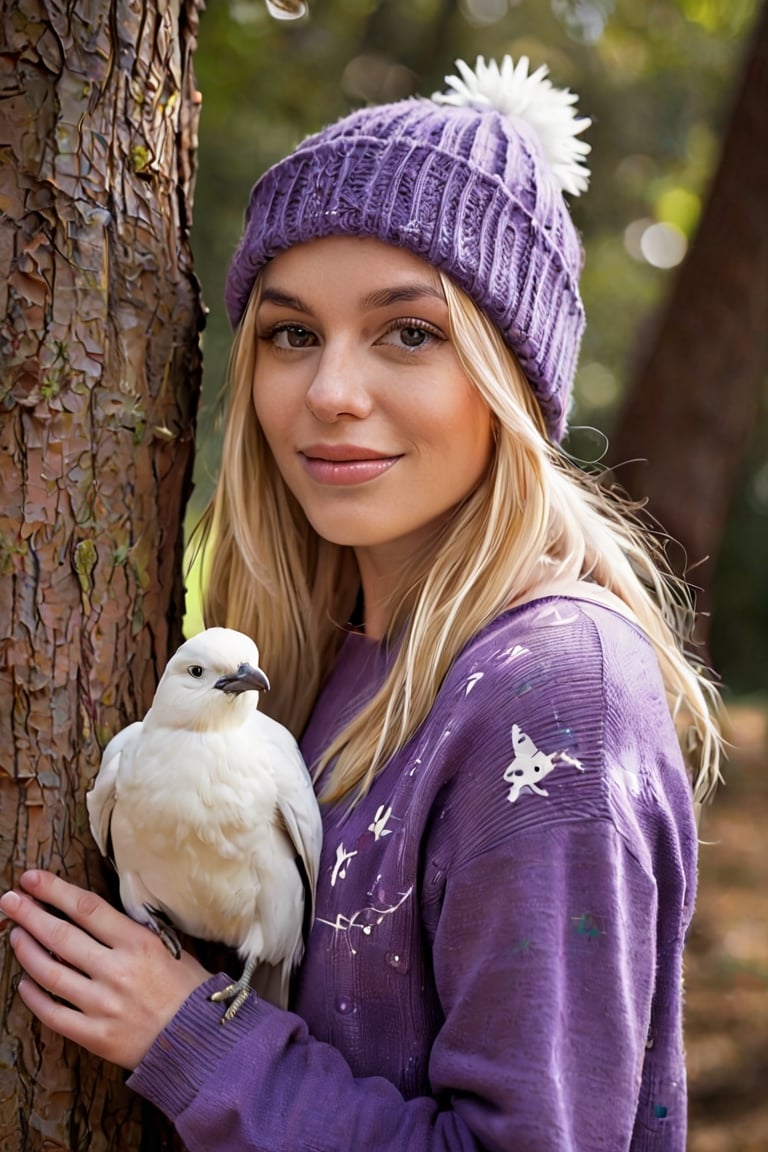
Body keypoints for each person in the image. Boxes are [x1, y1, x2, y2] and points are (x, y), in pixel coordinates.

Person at [0, 55, 721, 1151]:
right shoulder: (323, 660)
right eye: (292, 333)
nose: (331, 392)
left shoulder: (553, 702)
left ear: (511, 382)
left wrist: (193, 1042)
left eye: (409, 332)